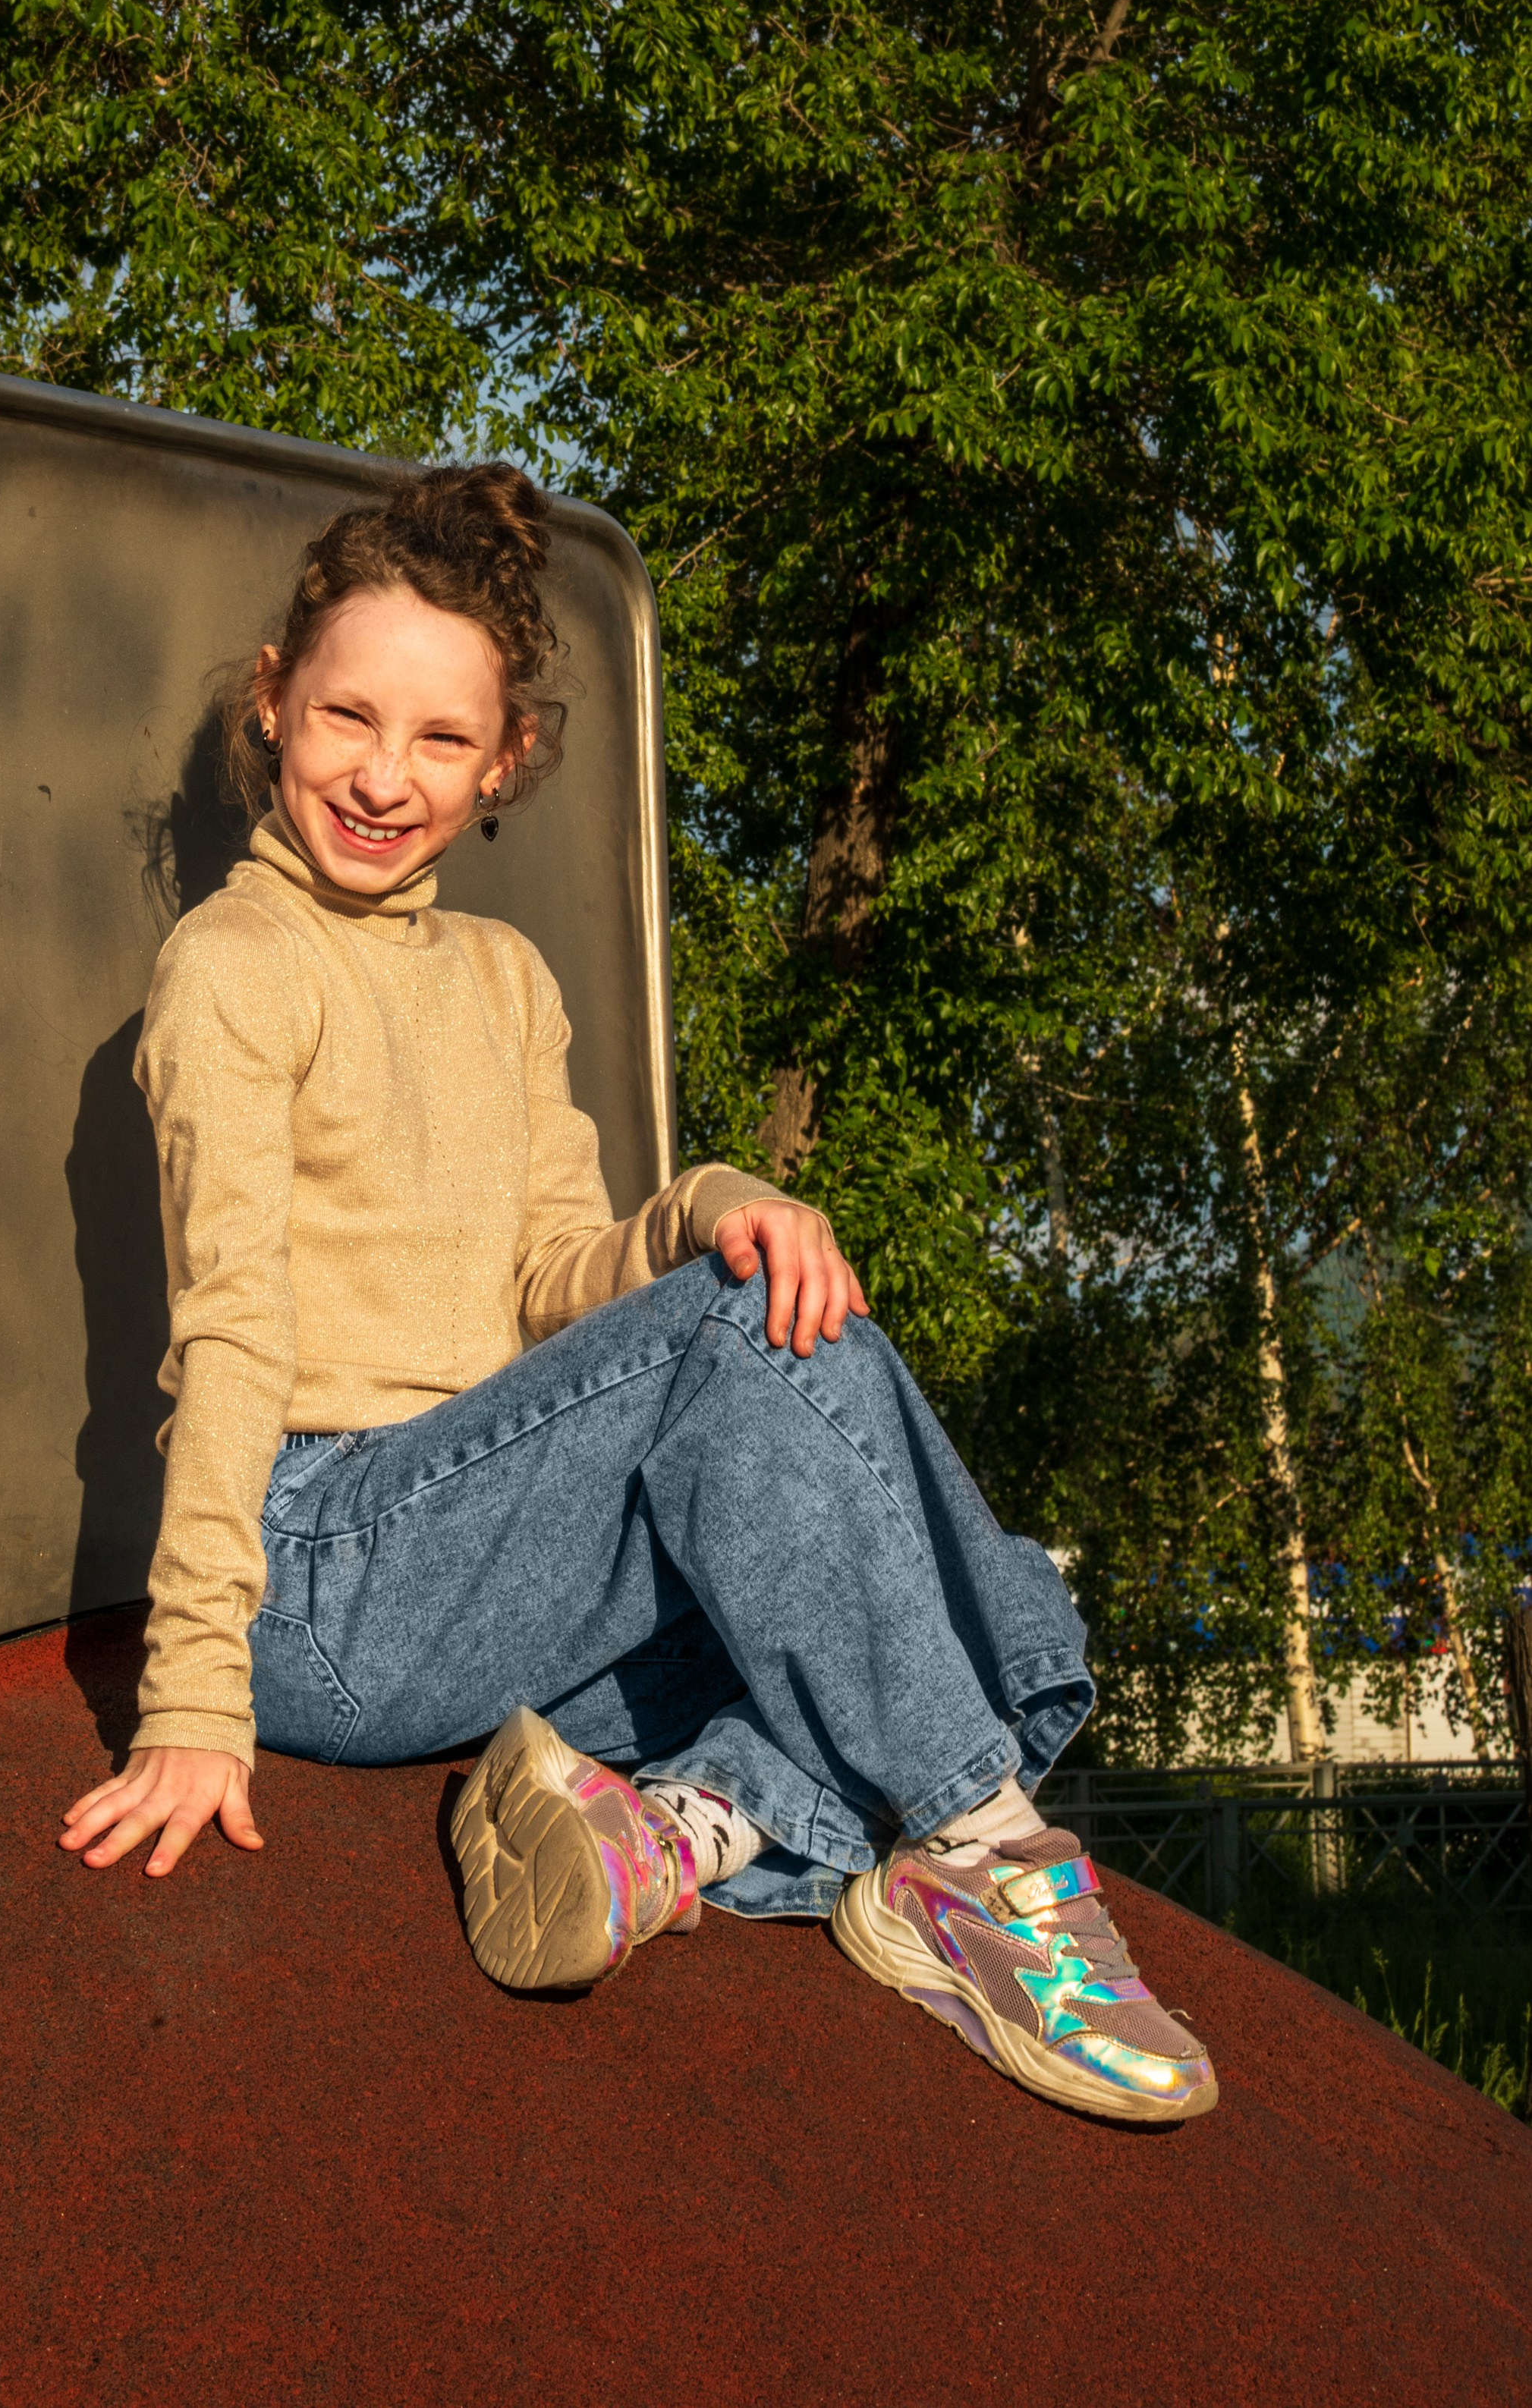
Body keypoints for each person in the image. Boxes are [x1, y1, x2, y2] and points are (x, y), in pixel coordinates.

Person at [59, 463, 1216, 2128]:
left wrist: (709, 1204)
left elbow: (549, 1282)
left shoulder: (504, 980)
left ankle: (680, 1830)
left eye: (441, 740)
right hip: (313, 1568)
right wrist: (189, 1697)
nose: (384, 777)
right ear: (273, 702)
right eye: (347, 719)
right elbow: (227, 1329)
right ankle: (977, 1855)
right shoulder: (236, 968)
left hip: (480, 1550)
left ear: (505, 757)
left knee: (923, 1545)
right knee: (799, 1409)